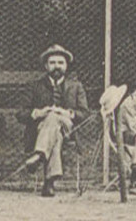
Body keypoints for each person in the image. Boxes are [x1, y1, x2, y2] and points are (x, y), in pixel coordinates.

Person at [20, 45, 91, 197]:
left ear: (66, 65)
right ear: (46, 66)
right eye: (52, 63)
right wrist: (39, 113)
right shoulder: (34, 86)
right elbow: (20, 113)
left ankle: (39, 154)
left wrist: (67, 113)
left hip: (69, 128)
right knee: (55, 134)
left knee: (54, 118)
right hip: (43, 128)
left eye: (60, 62)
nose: (56, 66)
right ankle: (49, 183)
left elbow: (85, 113)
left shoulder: (76, 87)